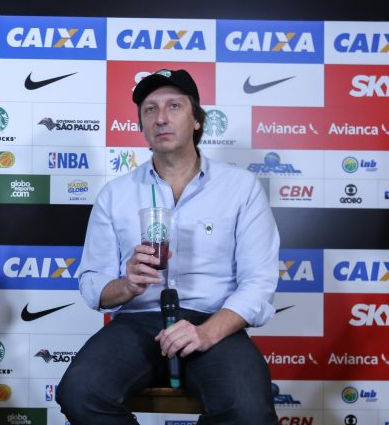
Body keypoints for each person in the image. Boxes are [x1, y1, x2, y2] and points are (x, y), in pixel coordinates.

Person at [56, 69, 279, 424]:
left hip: (213, 320)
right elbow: (92, 282)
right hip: (137, 323)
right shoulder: (115, 194)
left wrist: (206, 332)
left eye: (174, 106)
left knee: (248, 411)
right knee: (80, 393)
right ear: (142, 126)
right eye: (150, 109)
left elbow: (259, 282)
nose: (161, 118)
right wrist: (126, 285)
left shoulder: (241, 187)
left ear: (196, 120)